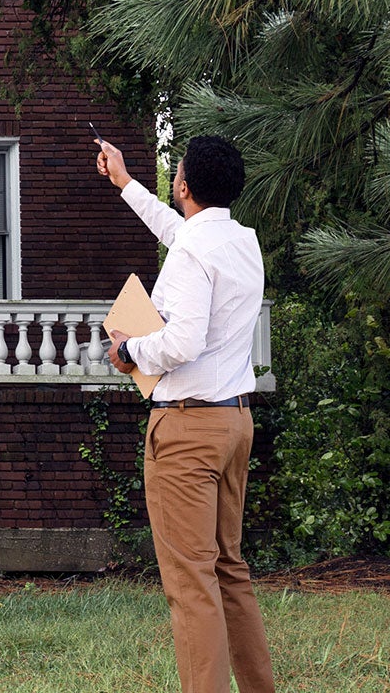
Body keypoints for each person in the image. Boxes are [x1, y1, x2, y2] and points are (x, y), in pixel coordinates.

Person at [96, 135, 275, 693]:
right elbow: (179, 234)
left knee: (191, 582)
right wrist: (125, 183)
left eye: (173, 174)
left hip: (188, 428)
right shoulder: (239, 243)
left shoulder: (194, 252)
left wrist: (130, 351)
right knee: (228, 571)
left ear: (184, 185)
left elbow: (181, 342)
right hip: (234, 423)